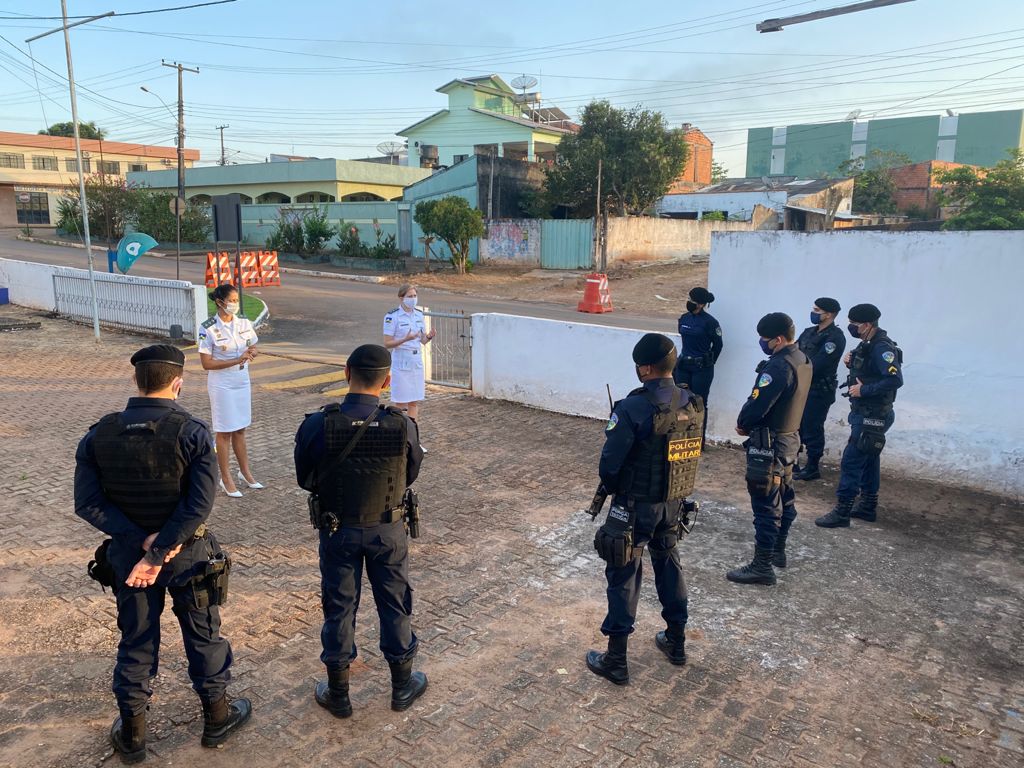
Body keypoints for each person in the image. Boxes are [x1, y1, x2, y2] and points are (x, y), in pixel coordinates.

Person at [74, 344, 251, 763]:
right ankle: (217, 719)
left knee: (136, 640)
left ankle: (133, 736)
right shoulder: (192, 432)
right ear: (178, 384)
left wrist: (141, 543)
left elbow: (88, 503)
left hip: (129, 560)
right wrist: (159, 548)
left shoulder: (99, 434)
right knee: (203, 634)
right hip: (188, 555)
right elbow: (198, 504)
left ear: (135, 380)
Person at [294, 344, 427, 717]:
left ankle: (339, 695)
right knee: (394, 603)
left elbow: (305, 478)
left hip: (338, 530)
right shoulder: (402, 424)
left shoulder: (317, 424)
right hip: (387, 530)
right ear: (387, 381)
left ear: (346, 373)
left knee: (339, 607)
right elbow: (410, 473)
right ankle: (401, 687)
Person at [586, 333, 704, 685]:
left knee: (623, 574)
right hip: (673, 502)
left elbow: (609, 466)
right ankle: (676, 641)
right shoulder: (693, 401)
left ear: (646, 368)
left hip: (635, 507)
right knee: (669, 566)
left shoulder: (632, 407)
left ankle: (616, 660)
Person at [727, 313, 811, 586]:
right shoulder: (802, 359)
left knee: (766, 504)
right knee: (785, 497)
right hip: (789, 440)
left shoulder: (778, 366)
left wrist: (744, 423)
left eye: (765, 339)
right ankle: (778, 552)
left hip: (769, 444)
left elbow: (759, 404)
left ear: (778, 339)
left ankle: (762, 566)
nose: (762, 343)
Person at [816, 304, 904, 528]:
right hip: (866, 413)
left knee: (852, 461)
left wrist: (863, 390)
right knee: (869, 459)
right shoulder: (868, 343)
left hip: (873, 414)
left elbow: (894, 379)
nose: (851, 327)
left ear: (866, 325)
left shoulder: (882, 347)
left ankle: (842, 511)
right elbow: (870, 370)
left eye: (854, 324)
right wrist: (851, 361)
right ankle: (867, 506)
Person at [199, 283, 262, 497]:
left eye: (236, 300)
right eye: (231, 301)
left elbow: (253, 346)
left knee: (240, 428)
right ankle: (225, 478)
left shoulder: (243, 322)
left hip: (241, 380)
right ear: (219, 302)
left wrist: (252, 353)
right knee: (224, 431)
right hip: (222, 383)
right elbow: (206, 363)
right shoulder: (208, 328)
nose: (235, 304)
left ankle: (245, 472)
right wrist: (236, 359)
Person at [793, 297, 847, 481]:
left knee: (812, 427)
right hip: (800, 387)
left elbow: (819, 364)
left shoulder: (835, 337)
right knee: (795, 425)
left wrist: (796, 368)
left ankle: (812, 466)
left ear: (829, 314)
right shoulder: (808, 332)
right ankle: (793, 462)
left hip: (818, 390)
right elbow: (794, 351)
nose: (813, 313)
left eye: (817, 311)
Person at [672, 287, 722, 446]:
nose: (690, 302)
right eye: (689, 299)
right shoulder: (684, 318)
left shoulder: (710, 322)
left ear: (701, 304)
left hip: (701, 368)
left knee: (699, 403)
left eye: (693, 301)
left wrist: (709, 362)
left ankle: (697, 441)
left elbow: (718, 345)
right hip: (683, 365)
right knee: (681, 401)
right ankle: (680, 439)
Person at [382, 284, 435, 423]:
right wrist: (405, 339)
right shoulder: (392, 316)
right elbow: (387, 343)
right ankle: (398, 429)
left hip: (415, 361)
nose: (413, 299)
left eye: (415, 296)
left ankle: (413, 428)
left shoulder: (418, 315)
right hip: (401, 360)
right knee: (400, 402)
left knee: (414, 401)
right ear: (401, 298)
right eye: (410, 296)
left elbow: (422, 340)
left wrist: (429, 337)